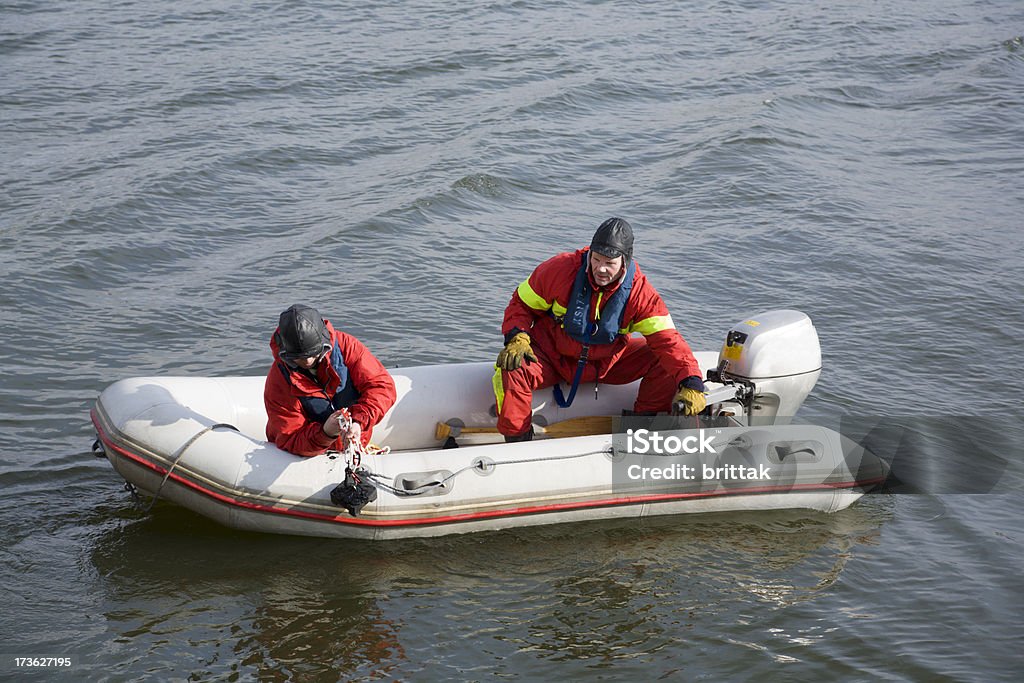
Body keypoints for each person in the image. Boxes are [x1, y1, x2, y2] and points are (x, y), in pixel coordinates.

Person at [493, 217, 707, 441]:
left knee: (662, 359)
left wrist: (691, 382)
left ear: (624, 261)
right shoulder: (558, 270)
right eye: (596, 259)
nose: (601, 268)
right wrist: (517, 337)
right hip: (550, 357)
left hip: (604, 364)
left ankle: (641, 431)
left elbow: (668, 342)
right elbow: (521, 305)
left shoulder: (640, 294)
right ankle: (517, 441)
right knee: (512, 365)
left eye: (610, 263)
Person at [264, 304, 397, 456]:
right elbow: (290, 436)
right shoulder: (278, 379)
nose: (307, 361)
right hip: (306, 455)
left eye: (312, 354)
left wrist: (359, 421)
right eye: (298, 358)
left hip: (354, 442)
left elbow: (382, 387)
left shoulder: (347, 347)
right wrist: (326, 433)